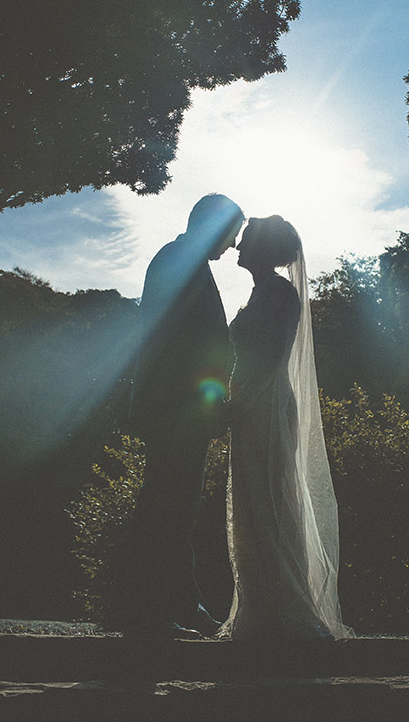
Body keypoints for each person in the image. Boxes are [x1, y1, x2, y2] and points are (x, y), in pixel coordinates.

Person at [219, 215, 353, 640]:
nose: (237, 248)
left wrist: (238, 405)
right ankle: (261, 607)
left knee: (272, 499)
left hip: (266, 405)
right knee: (254, 502)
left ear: (262, 249)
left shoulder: (279, 294)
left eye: (244, 242)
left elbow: (272, 357)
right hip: (250, 405)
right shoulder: (263, 292)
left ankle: (285, 609)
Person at [122, 193, 244, 641]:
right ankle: (148, 614)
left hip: (178, 408)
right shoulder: (179, 262)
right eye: (232, 234)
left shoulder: (184, 260)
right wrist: (207, 403)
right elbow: (173, 343)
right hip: (176, 410)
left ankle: (180, 605)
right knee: (165, 508)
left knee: (176, 509)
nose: (233, 246)